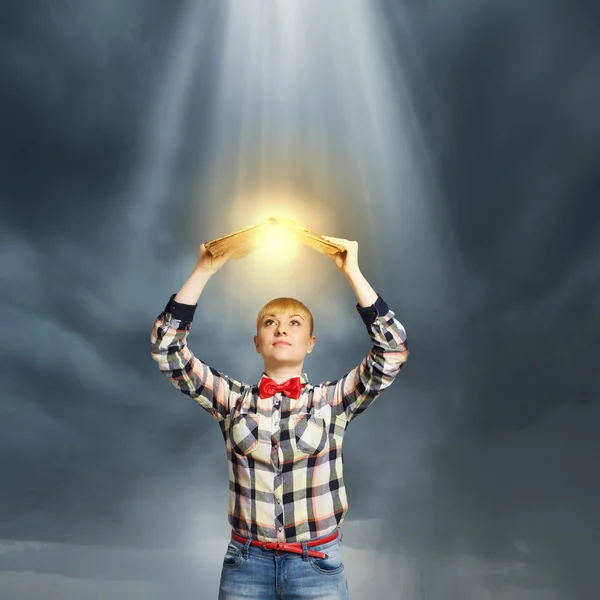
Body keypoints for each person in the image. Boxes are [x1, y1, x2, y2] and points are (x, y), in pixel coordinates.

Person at [150, 235, 409, 599]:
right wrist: (204, 269)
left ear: (311, 342)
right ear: (257, 341)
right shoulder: (232, 400)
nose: (282, 329)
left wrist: (352, 271)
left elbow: (393, 349)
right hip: (245, 563)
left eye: (294, 323)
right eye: (270, 322)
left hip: (317, 563)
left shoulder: (331, 401)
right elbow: (166, 348)